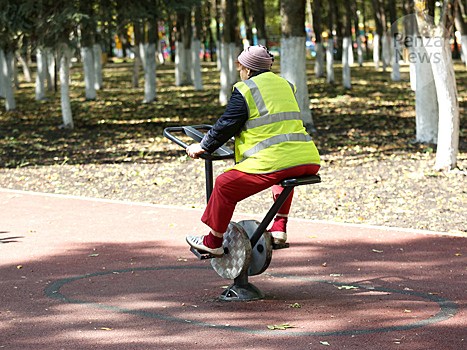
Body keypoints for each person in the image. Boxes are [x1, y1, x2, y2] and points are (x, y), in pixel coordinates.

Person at [185, 45, 320, 257]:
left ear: (248, 69)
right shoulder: (286, 85)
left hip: (277, 159)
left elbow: (227, 124)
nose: (240, 71)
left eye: (240, 67)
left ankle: (213, 241)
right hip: (307, 158)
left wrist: (202, 146)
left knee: (223, 185)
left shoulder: (246, 89)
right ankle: (279, 229)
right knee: (284, 175)